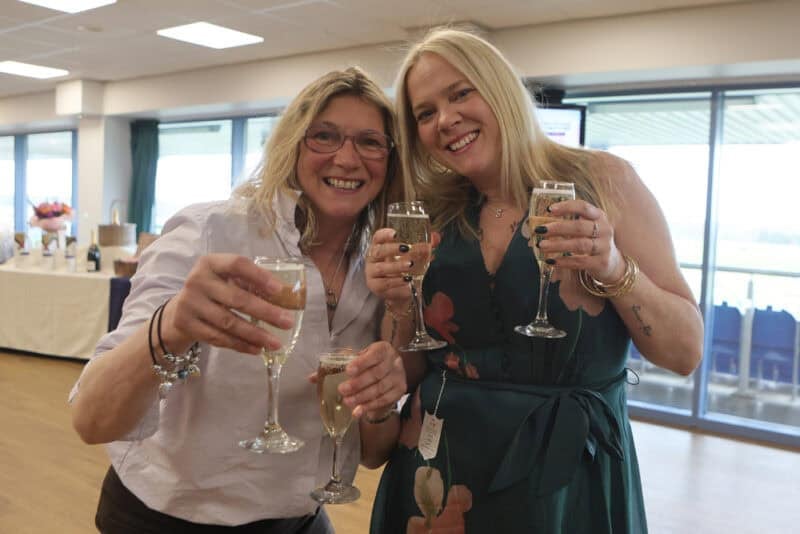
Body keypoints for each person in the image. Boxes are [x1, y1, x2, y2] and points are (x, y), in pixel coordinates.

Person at [365, 28, 703, 533]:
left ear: (499, 88)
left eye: (461, 93)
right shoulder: (432, 214)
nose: (446, 120)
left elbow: (684, 354)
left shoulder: (605, 182)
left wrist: (611, 267)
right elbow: (412, 367)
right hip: (440, 476)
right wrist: (397, 305)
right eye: (425, 112)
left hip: (567, 480)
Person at [70, 66, 408, 533]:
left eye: (370, 142)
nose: (348, 159)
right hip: (170, 519)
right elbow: (91, 419)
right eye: (324, 137)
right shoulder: (210, 233)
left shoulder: (380, 269)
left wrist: (382, 401)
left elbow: (372, 454)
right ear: (291, 145)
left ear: (391, 159)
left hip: (300, 517)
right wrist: (171, 326)